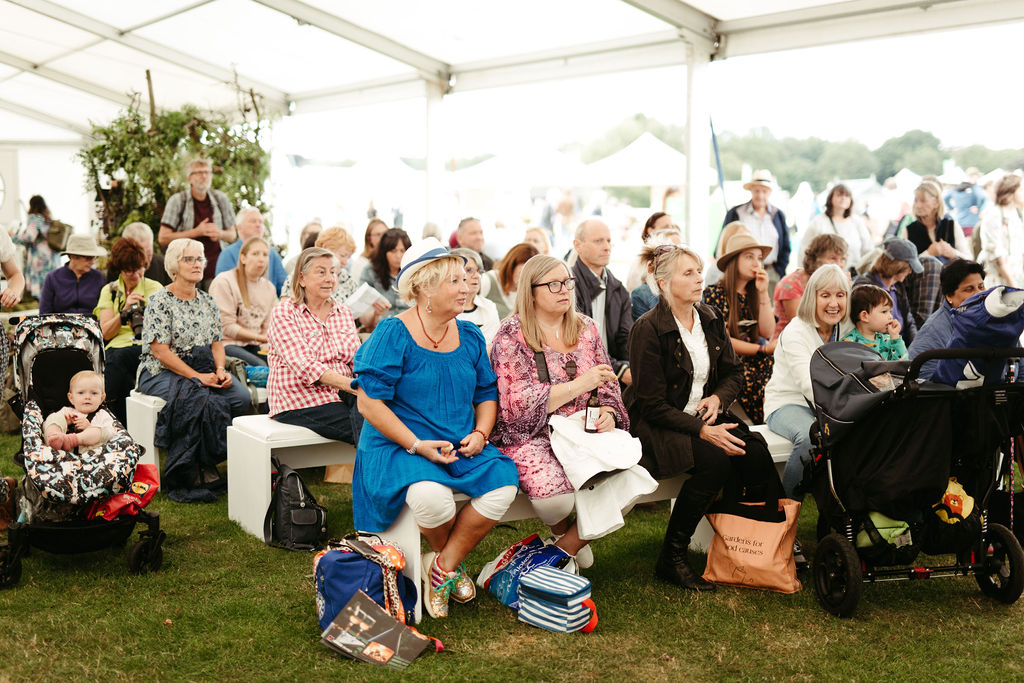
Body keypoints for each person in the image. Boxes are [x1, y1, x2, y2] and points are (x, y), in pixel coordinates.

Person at [351, 237, 519, 619]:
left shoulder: (471, 334)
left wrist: (480, 434)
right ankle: (453, 569)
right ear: (425, 287)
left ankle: (441, 566)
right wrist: (416, 444)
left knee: (505, 484)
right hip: (399, 445)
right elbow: (368, 401)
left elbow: (486, 393)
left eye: (467, 280)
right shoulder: (394, 333)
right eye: (455, 282)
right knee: (433, 500)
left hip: (458, 443)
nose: (467, 287)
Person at [625, 244, 780, 591]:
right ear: (663, 283)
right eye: (688, 273)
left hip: (704, 414)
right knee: (716, 463)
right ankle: (672, 556)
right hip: (659, 423)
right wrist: (701, 430)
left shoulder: (708, 317)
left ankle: (754, 546)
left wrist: (717, 398)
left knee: (753, 453)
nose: (699, 279)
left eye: (698, 271)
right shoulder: (646, 329)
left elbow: (733, 374)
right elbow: (650, 404)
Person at [490, 254, 631, 569]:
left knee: (633, 479)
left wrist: (608, 410)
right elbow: (514, 404)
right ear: (531, 291)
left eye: (567, 282)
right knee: (556, 501)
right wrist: (580, 385)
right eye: (554, 284)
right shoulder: (513, 333)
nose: (564, 290)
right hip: (532, 435)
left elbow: (606, 383)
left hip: (585, 429)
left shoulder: (586, 328)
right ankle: (567, 538)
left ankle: (562, 550)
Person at [764, 264, 851, 565]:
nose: (833, 303)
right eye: (825, 295)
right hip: (788, 403)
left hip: (833, 407)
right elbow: (808, 384)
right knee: (810, 437)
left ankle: (842, 523)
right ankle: (784, 528)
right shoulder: (796, 332)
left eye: (840, 295)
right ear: (811, 296)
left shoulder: (845, 329)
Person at [137, 238, 251, 416]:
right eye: (189, 259)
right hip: (159, 371)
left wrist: (220, 370)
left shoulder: (208, 301)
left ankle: (224, 442)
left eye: (200, 259)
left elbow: (217, 345)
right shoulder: (159, 301)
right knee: (201, 398)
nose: (197, 264)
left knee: (242, 398)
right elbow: (161, 353)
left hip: (203, 367)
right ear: (174, 265)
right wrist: (196, 376)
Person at [266, 247, 363, 445]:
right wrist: (355, 388)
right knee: (372, 427)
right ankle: (384, 473)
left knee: (384, 412)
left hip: (342, 394)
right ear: (301, 278)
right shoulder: (284, 312)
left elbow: (356, 359)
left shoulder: (343, 312)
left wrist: (366, 385)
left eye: (333, 272)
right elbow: (305, 366)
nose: (330, 278)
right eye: (321, 272)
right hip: (299, 399)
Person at [702, 232, 775, 424]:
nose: (756, 263)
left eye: (759, 258)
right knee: (754, 378)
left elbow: (767, 331)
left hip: (756, 358)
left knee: (775, 371)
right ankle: (765, 422)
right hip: (728, 362)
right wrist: (762, 349)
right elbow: (722, 340)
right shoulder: (714, 293)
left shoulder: (754, 293)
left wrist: (763, 293)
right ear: (734, 261)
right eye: (749, 257)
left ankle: (774, 419)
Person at [94, 238, 164, 425]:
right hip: (116, 348)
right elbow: (105, 333)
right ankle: (120, 426)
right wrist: (124, 312)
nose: (136, 275)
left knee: (118, 360)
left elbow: (163, 328)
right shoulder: (109, 291)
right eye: (129, 270)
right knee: (118, 367)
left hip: (147, 347)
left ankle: (106, 419)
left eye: (139, 268)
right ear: (119, 269)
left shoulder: (154, 287)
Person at [571, 218, 633, 385]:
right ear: (578, 246)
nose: (607, 247)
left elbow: (625, 339)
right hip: (579, 374)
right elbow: (577, 346)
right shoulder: (568, 288)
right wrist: (619, 371)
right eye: (598, 241)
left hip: (613, 372)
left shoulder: (618, 289)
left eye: (609, 241)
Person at [158, 158, 236, 290]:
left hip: (216, 270)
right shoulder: (177, 201)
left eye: (207, 172)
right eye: (199, 173)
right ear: (189, 179)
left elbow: (232, 235)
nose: (204, 176)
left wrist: (220, 233)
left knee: (216, 308)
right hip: (186, 272)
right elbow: (163, 238)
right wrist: (196, 232)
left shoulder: (220, 199)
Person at [908, 259, 986, 381]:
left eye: (981, 287)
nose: (979, 294)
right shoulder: (933, 331)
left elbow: (1020, 369)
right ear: (949, 296)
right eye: (969, 289)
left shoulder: (997, 319)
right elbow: (921, 380)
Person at [209, 237, 278, 367]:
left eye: (265, 255)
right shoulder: (224, 281)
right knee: (261, 367)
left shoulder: (270, 288)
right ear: (243, 258)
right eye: (255, 254)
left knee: (280, 366)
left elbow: (268, 326)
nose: (261, 259)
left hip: (255, 344)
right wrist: (259, 337)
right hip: (228, 344)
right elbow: (226, 327)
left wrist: (265, 339)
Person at [721, 170, 791, 295]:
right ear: (751, 191)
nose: (760, 195)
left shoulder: (778, 215)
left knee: (769, 310)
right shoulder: (737, 213)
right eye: (757, 191)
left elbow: (786, 246)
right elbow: (724, 242)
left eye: (764, 191)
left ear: (769, 193)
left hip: (771, 272)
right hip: (742, 274)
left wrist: (779, 270)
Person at [773, 234, 848, 341]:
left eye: (842, 259)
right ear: (816, 259)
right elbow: (801, 322)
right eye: (833, 258)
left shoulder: (834, 283)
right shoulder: (791, 284)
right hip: (790, 341)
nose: (839, 265)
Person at [853, 238, 922, 345]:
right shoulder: (865, 286)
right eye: (909, 267)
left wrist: (915, 346)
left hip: (900, 346)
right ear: (897, 265)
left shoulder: (898, 287)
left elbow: (909, 322)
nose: (910, 271)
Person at [215, 207, 287, 294]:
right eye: (253, 221)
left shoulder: (272, 254)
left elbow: (284, 288)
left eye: (260, 222)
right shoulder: (227, 254)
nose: (258, 225)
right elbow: (223, 289)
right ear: (239, 227)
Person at [801, 184, 873, 271]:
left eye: (847, 196)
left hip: (853, 275)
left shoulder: (857, 222)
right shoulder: (818, 222)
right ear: (830, 198)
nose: (843, 198)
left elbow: (868, 249)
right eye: (839, 195)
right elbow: (805, 250)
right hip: (826, 276)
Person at [44, 370, 115, 451]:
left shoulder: (102, 415)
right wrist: (64, 422)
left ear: (101, 398)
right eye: (81, 393)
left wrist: (90, 427)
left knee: (103, 432)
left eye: (94, 393)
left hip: (89, 450)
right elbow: (48, 423)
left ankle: (71, 440)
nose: (87, 397)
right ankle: (53, 437)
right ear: (71, 398)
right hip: (62, 448)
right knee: (53, 418)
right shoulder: (66, 411)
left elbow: (111, 434)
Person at [905, 181, 972, 264]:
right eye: (916, 201)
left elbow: (969, 259)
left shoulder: (951, 226)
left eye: (923, 201)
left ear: (936, 203)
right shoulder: (909, 230)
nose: (918, 206)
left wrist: (953, 253)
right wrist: (928, 253)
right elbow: (904, 266)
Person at [39, 234, 107, 315]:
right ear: (72, 257)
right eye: (88, 258)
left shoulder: (98, 277)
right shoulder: (52, 278)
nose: (92, 262)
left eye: (94, 257)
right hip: (59, 325)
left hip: (92, 326)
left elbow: (104, 310)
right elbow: (44, 312)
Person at [979, 174, 1024, 289]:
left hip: (1016, 278)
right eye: (1021, 189)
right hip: (999, 283)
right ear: (1011, 192)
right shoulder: (993, 216)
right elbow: (997, 256)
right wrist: (1013, 285)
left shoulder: (1017, 214)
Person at [842, 285, 908, 360]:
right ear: (864, 316)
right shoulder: (849, 344)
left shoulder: (888, 341)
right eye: (884, 311)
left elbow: (903, 365)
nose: (890, 316)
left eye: (890, 312)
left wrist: (895, 337)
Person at [14, 194, 61, 298]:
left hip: (40, 261)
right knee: (51, 290)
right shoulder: (48, 219)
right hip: (52, 259)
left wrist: (14, 237)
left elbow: (29, 237)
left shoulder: (35, 218)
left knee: (42, 293)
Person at [451, 247, 500, 345]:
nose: (477, 276)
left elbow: (493, 347)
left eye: (479, 271)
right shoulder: (444, 308)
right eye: (469, 270)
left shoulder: (489, 307)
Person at [359, 228, 411, 319]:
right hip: (381, 326)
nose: (398, 256)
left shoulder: (413, 272)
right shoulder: (370, 272)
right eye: (393, 251)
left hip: (410, 325)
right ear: (384, 252)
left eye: (402, 251)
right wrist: (376, 313)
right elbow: (362, 315)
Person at [631, 228, 683, 320]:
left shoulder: (692, 286)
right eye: (672, 248)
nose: (679, 254)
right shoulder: (642, 294)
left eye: (681, 248)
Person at [480, 242, 538, 320]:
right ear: (511, 265)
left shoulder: (530, 291)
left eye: (530, 274)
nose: (525, 278)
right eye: (522, 272)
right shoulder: (487, 280)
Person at [626, 211, 674, 291]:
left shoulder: (673, 257)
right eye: (665, 227)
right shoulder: (642, 261)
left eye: (672, 227)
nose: (671, 230)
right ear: (651, 230)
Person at [120, 222, 171, 286]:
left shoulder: (164, 265)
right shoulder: (117, 267)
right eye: (139, 255)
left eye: (148, 253)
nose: (145, 260)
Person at [944, 168, 987, 242]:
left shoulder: (955, 188)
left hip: (959, 221)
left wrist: (952, 208)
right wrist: (978, 208)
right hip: (972, 222)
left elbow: (945, 198)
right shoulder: (975, 188)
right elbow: (982, 197)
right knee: (972, 247)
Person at [704, 221, 751, 287]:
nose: (746, 243)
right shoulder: (716, 269)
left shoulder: (748, 266)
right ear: (728, 241)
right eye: (740, 238)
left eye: (748, 239)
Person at [348, 218, 387, 282]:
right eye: (378, 234)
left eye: (385, 234)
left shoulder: (391, 259)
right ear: (369, 238)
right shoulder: (361, 263)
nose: (382, 238)